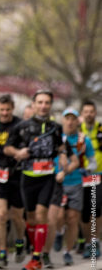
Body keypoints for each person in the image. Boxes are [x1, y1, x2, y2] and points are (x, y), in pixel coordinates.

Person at [4, 90, 72, 270]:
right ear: (33, 105)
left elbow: (62, 146)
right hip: (27, 178)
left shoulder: (55, 127)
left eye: (47, 103)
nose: (43, 106)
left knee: (42, 215)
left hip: (47, 178)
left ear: (50, 105)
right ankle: (36, 250)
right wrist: (18, 153)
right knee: (31, 218)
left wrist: (63, 155)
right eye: (40, 102)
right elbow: (7, 148)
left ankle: (36, 258)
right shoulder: (22, 126)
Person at [43, 108, 94, 267]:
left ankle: (67, 252)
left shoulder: (83, 140)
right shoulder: (57, 138)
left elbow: (92, 161)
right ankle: (58, 233)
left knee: (72, 219)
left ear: (78, 121)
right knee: (57, 216)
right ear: (63, 120)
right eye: (67, 119)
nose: (70, 122)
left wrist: (87, 169)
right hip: (57, 182)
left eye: (73, 119)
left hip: (76, 182)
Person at [0, 94, 25, 268]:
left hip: (16, 174)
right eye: (1, 110)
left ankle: (19, 241)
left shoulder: (20, 125)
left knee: (17, 216)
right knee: (1, 214)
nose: (4, 113)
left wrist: (19, 153)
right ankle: (1, 253)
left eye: (7, 110)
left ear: (12, 108)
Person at [80, 100, 102, 259]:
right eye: (86, 111)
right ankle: (87, 243)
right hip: (80, 175)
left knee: (97, 208)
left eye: (91, 111)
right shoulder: (77, 130)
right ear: (82, 114)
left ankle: (95, 241)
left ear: (95, 113)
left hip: (98, 174)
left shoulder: (100, 129)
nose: (89, 114)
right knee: (84, 212)